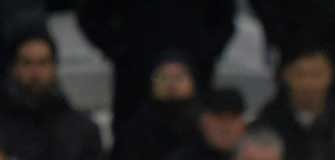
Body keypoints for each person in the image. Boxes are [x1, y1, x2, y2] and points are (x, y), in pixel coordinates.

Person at [76, 0, 235, 140]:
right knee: (132, 142)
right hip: (136, 76)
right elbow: (92, 16)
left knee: (195, 137)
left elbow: (224, 19)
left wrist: (204, 54)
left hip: (194, 72)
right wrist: (122, 52)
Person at [0, 25, 107, 160]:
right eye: (27, 63)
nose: (35, 73)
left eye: (43, 63)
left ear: (54, 68)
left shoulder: (83, 130)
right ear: (14, 68)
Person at [110, 54, 200, 160]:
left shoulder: (203, 127)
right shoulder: (136, 128)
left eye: (179, 77)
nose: (172, 84)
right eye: (164, 77)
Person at [254, 47, 335, 160]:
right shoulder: (268, 120)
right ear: (286, 76)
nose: (308, 83)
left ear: (330, 76)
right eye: (300, 74)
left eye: (316, 74)